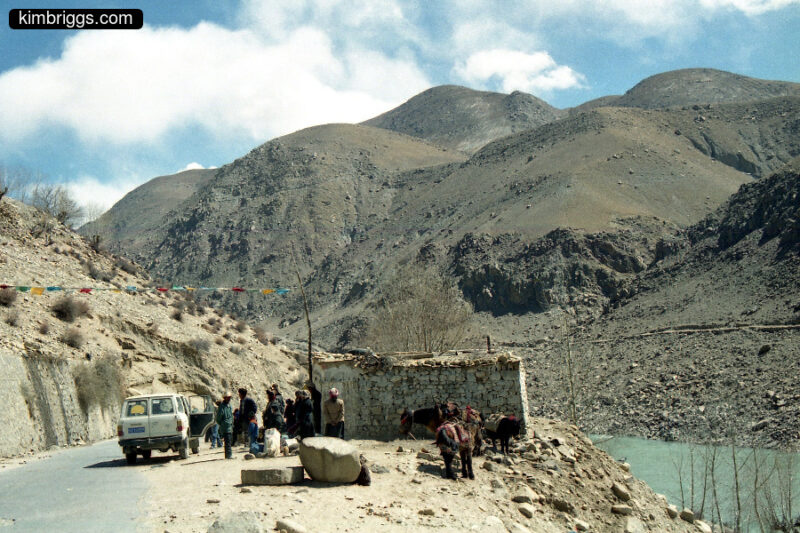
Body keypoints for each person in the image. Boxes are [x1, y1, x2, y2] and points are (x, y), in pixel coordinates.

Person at [215, 391, 234, 459]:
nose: (229, 399)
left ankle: (228, 455)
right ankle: (229, 455)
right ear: (224, 398)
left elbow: (231, 416)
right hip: (226, 427)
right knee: (227, 441)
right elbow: (218, 418)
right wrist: (223, 424)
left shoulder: (229, 406)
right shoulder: (222, 407)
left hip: (229, 426)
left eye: (229, 398)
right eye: (227, 398)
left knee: (228, 441)